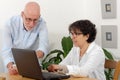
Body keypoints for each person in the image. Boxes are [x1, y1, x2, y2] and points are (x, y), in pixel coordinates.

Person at [1, 2, 49, 75]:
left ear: (39, 16)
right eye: (28, 19)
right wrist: (10, 66)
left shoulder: (42, 23)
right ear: (22, 14)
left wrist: (29, 58)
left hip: (32, 65)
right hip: (12, 65)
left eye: (35, 20)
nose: (32, 24)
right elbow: (6, 50)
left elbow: (43, 47)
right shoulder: (9, 24)